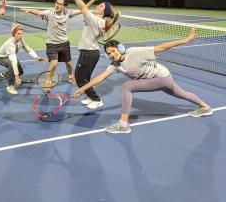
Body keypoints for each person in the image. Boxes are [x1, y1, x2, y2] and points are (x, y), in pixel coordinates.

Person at [73, 27, 213, 134]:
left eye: (113, 51)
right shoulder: (115, 65)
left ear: (120, 48)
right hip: (161, 79)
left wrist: (186, 40)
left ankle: (123, 124)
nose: (112, 54)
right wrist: (82, 89)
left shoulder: (135, 52)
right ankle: (205, 107)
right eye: (109, 53)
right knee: (182, 93)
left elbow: (161, 47)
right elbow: (100, 77)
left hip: (161, 77)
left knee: (127, 86)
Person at [67, 0, 116, 109]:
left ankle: (96, 99)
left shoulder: (95, 20)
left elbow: (82, 7)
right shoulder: (100, 21)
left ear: (103, 11)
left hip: (89, 53)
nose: (97, 6)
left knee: (79, 79)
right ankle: (90, 97)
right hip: (90, 52)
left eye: (100, 6)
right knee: (85, 78)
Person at [22, 0, 81, 85]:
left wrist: (91, 1)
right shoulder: (49, 12)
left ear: (65, 6)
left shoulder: (67, 12)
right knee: (54, 63)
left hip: (64, 43)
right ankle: (47, 81)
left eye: (60, 4)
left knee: (69, 63)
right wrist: (29, 10)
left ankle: (71, 76)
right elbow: (39, 12)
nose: (57, 5)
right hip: (52, 44)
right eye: (56, 2)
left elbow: (82, 10)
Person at [0, 24, 46, 95]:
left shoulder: (20, 40)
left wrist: (37, 57)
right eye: (18, 34)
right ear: (14, 34)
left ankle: (6, 74)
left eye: (22, 33)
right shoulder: (9, 44)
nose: (20, 35)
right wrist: (16, 77)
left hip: (11, 57)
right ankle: (10, 86)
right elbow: (13, 61)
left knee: (20, 72)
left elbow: (27, 49)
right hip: (1, 58)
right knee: (13, 67)